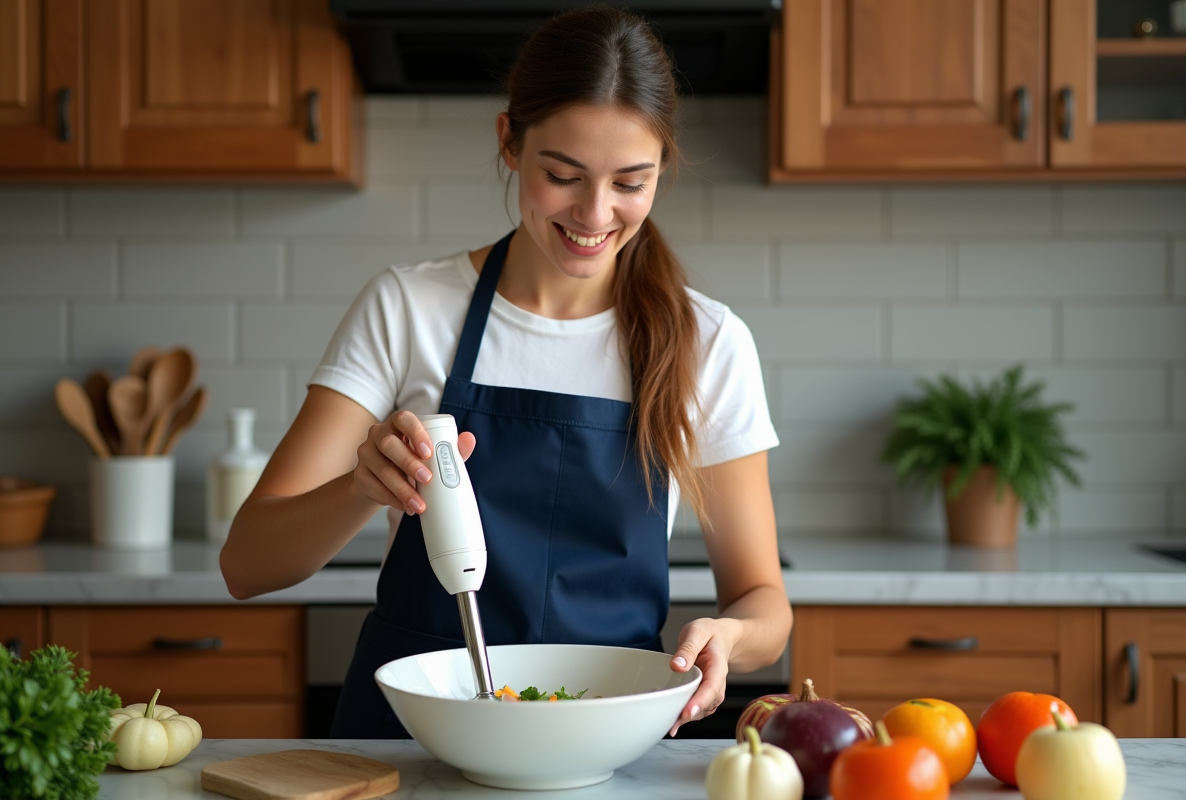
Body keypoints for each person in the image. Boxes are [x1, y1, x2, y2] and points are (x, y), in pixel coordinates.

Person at [219, 3, 791, 739]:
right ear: (509, 144)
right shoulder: (409, 308)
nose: (595, 213)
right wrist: (362, 488)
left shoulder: (706, 340)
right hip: (412, 743)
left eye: (631, 182)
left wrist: (731, 637)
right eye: (564, 174)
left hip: (603, 739)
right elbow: (247, 564)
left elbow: (763, 601)